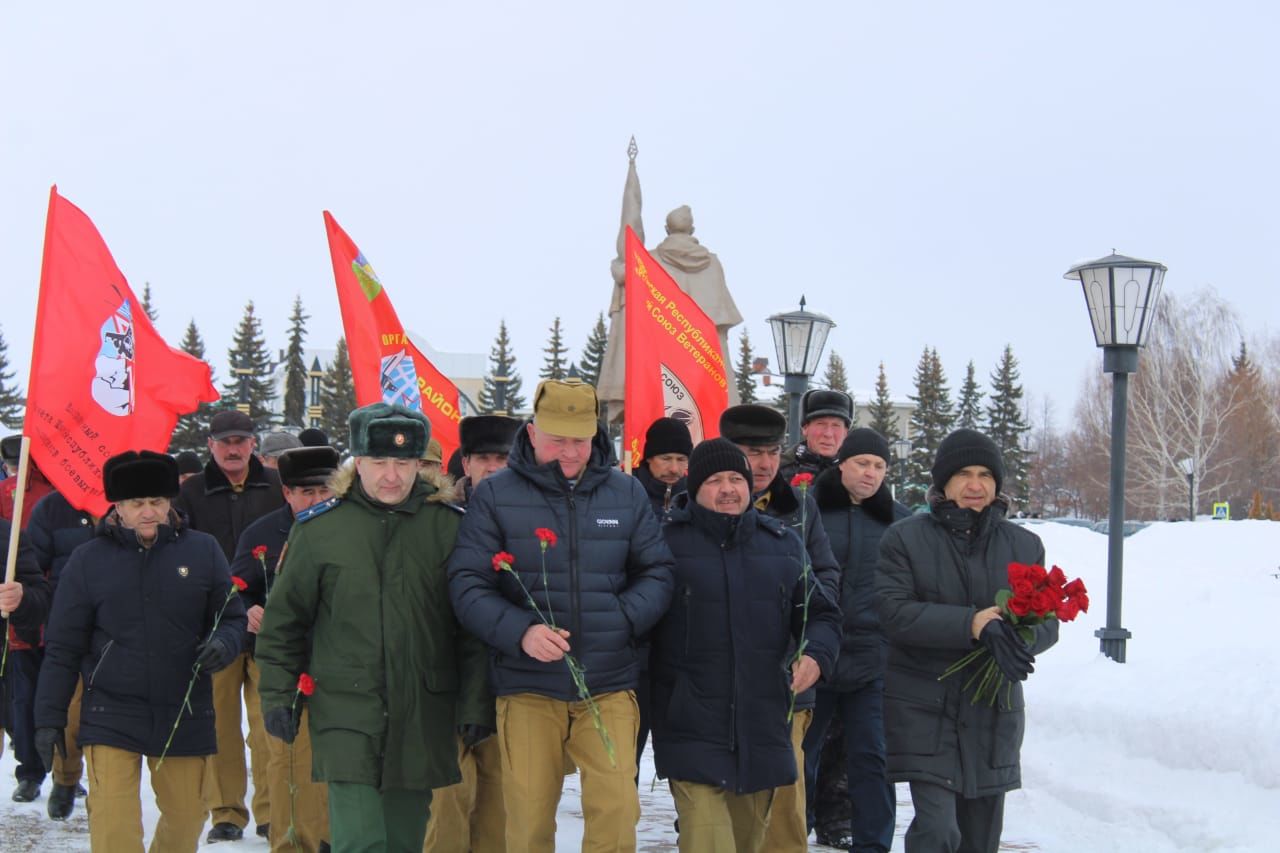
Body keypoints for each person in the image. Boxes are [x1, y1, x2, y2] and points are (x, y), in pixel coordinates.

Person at [448, 379, 675, 853]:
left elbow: (657, 572)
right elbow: (467, 586)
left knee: (615, 813)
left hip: (609, 683)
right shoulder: (495, 497)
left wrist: (622, 619)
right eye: (558, 440)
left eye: (581, 439)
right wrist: (521, 631)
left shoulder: (626, 493)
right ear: (532, 434)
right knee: (528, 820)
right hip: (528, 685)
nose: (571, 452)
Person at [256, 403, 491, 853]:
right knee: (359, 840)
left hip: (422, 709)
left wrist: (475, 703)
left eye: (403, 463)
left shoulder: (449, 528)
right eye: (379, 462)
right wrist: (278, 694)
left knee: (403, 840)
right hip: (345, 708)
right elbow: (284, 623)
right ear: (357, 462)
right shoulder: (321, 530)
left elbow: (471, 630)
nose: (392, 475)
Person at [33, 450, 246, 852]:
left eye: (158, 502)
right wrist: (48, 718)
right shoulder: (87, 560)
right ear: (118, 506)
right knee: (114, 829)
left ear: (170, 502)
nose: (149, 512)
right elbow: (62, 647)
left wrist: (225, 642)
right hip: (111, 710)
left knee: (186, 823)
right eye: (137, 503)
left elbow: (231, 618)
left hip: (184, 708)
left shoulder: (203, 551)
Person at [649, 439, 839, 852]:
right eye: (715, 480)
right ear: (695, 487)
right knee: (708, 842)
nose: (728, 488)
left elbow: (821, 614)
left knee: (748, 843)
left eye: (736, 478)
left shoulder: (783, 544)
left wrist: (815, 655)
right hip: (690, 727)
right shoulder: (664, 544)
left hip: (762, 726)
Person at [876, 428, 1059, 852]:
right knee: (939, 832)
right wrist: (973, 625)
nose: (975, 485)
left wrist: (1019, 641)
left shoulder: (1024, 545)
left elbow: (1048, 619)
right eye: (962, 474)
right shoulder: (905, 538)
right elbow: (894, 612)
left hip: (992, 713)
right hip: (924, 708)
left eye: (984, 475)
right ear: (943, 483)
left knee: (979, 841)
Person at [719, 403, 840, 851]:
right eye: (752, 452)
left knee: (786, 804)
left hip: (786, 679)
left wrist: (807, 643)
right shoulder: (700, 504)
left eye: (772, 451)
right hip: (718, 683)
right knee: (724, 803)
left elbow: (826, 578)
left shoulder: (799, 507)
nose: (766, 463)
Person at [177, 409, 284, 842]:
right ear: (210, 445)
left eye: (241, 439)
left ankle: (273, 809)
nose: (234, 448)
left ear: (254, 443)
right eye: (225, 442)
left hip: (267, 623)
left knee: (267, 724)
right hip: (216, 626)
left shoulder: (277, 489)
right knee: (219, 721)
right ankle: (226, 811)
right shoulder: (191, 494)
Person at [804, 428, 910, 851]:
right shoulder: (807, 510)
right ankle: (791, 834)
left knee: (873, 759)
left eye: (879, 466)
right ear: (842, 463)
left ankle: (875, 844)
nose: (870, 473)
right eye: (863, 463)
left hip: (872, 659)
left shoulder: (899, 522)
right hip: (816, 655)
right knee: (800, 756)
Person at [231, 445, 340, 853]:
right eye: (305, 492)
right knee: (287, 756)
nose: (316, 500)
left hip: (342, 661)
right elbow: (235, 589)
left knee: (339, 755)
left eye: (324, 490)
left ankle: (332, 836)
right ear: (287, 494)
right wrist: (248, 608)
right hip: (283, 662)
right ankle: (293, 842)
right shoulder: (261, 534)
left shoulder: (353, 528)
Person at [423, 415, 519, 853]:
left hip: (512, 682)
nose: (494, 467)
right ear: (466, 462)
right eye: (484, 457)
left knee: (501, 813)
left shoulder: (536, 518)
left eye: (504, 457)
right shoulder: (438, 521)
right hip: (444, 683)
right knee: (446, 806)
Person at [25, 488, 97, 819]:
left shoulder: (129, 502)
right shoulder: (52, 508)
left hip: (123, 627)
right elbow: (31, 567)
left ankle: (109, 791)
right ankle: (65, 778)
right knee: (69, 714)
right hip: (69, 627)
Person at [0, 434, 57, 805]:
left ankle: (63, 770)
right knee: (21, 698)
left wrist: (22, 596)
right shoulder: (7, 491)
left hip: (40, 610)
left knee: (47, 693)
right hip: (27, 616)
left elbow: (28, 570)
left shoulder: (58, 494)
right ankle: (30, 770)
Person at [779, 389, 854, 481]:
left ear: (845, 433)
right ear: (805, 428)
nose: (828, 434)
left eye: (836, 425)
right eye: (821, 424)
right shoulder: (778, 471)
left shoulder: (855, 474)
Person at [633, 416, 691, 520]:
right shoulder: (625, 490)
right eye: (666, 459)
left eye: (681, 459)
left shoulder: (697, 496)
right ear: (649, 458)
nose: (674, 469)